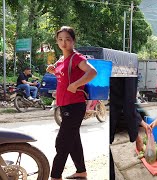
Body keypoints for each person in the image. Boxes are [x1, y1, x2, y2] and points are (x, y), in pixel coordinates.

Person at [46, 26, 97, 180]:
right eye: (60, 39)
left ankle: (55, 176)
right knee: (73, 141)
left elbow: (92, 72)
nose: (64, 43)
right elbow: (64, 76)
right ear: (57, 41)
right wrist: (53, 70)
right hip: (64, 105)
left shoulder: (77, 58)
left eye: (68, 39)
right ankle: (81, 172)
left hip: (74, 106)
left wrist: (75, 85)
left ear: (73, 41)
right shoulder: (62, 60)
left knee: (61, 142)